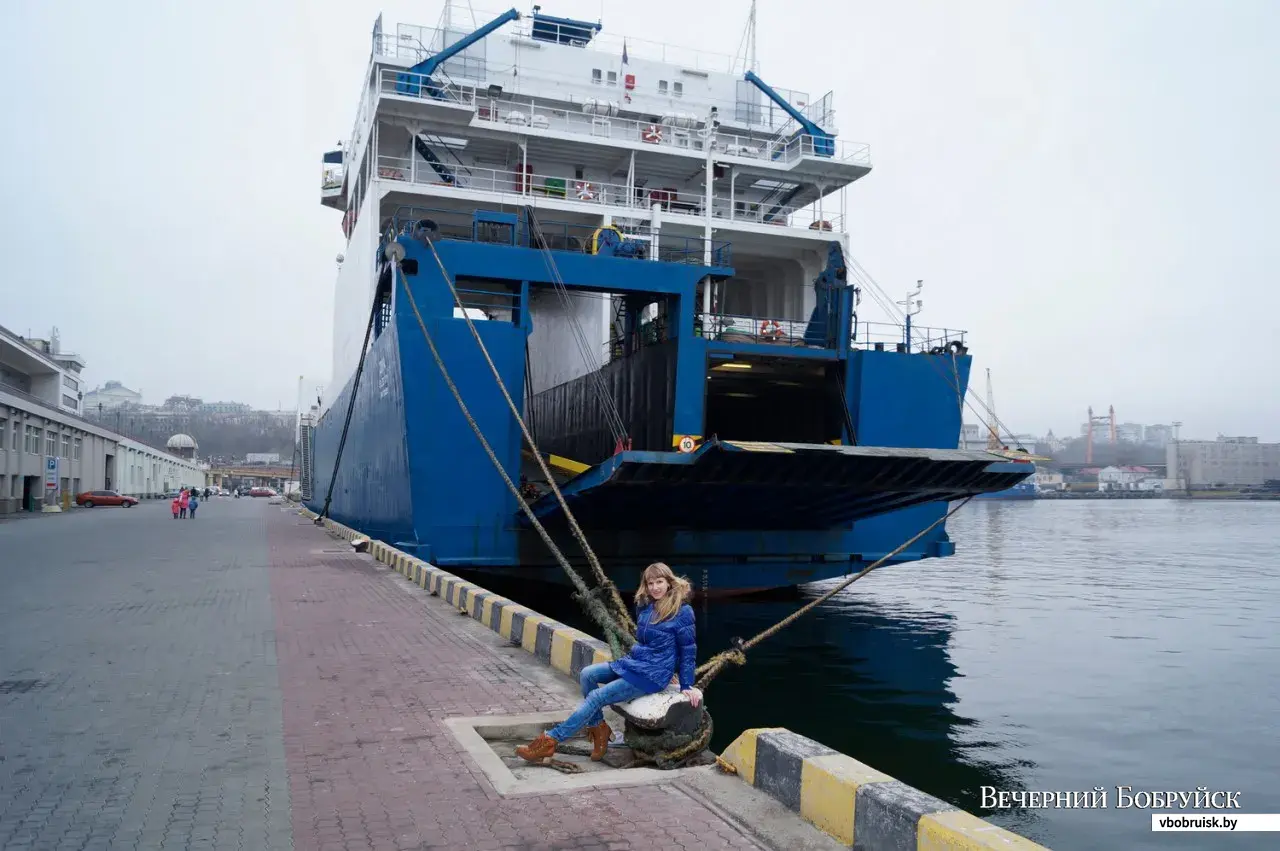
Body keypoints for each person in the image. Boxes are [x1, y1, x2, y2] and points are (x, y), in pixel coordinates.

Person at [515, 562, 701, 764]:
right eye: (650, 583)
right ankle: (599, 729)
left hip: (652, 675)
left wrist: (686, 684)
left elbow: (688, 650)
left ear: (669, 582)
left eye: (660, 582)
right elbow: (645, 642)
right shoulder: (646, 607)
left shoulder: (682, 612)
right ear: (645, 585)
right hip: (636, 663)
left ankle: (550, 741)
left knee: (596, 697)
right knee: (587, 674)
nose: (655, 587)